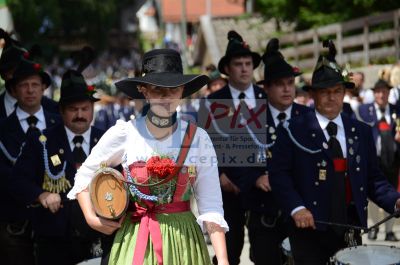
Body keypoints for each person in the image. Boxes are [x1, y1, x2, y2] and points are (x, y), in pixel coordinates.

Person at [67, 48, 229, 265]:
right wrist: (91, 218)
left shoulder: (199, 139)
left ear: (182, 91)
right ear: (143, 90)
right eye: (157, 90)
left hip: (184, 242)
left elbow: (210, 205)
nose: (165, 97)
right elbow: (84, 176)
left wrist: (223, 259)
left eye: (173, 90)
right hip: (136, 239)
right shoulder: (125, 133)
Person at [269, 40, 400, 265]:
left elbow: (373, 179)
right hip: (307, 230)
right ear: (314, 95)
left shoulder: (360, 131)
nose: (331, 97)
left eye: (337, 91)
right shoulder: (292, 130)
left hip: (349, 227)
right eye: (324, 92)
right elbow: (279, 176)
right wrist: (297, 208)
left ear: (344, 93)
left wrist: (395, 201)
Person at [10, 52, 105, 265]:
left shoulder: (107, 139)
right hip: (55, 240)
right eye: (73, 109)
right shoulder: (42, 141)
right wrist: (41, 194)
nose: (80, 114)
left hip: (97, 237)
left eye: (85, 109)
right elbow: (17, 180)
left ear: (92, 110)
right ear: (61, 111)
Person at [198, 30, 266, 265]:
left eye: (248, 64)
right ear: (227, 69)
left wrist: (268, 173)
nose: (245, 68)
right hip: (227, 188)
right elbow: (204, 145)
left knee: (265, 251)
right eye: (238, 64)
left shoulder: (264, 97)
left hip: (262, 187)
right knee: (228, 250)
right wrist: (218, 176)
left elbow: (275, 141)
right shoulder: (212, 101)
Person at [245, 38, 311, 265]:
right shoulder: (250, 120)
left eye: (290, 83)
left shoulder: (309, 118)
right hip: (266, 213)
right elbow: (235, 164)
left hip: (304, 212)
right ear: (266, 87)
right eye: (279, 83)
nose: (286, 89)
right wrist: (256, 177)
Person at [0, 57, 61, 265]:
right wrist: (37, 194)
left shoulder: (59, 122)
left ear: (43, 88)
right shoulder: (3, 129)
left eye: (35, 84)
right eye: (23, 85)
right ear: (14, 91)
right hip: (16, 223)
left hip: (57, 220)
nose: (30, 90)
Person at [358, 79, 400, 241]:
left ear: (389, 93)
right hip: (373, 159)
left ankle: (389, 231)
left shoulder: (397, 109)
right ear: (374, 93)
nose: (381, 95)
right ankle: (374, 227)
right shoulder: (364, 110)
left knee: (393, 194)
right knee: (374, 195)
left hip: (393, 160)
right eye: (378, 91)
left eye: (384, 91)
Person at [0, 29, 59, 120]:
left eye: (25, 73)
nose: (20, 78)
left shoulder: (54, 109)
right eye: (13, 73)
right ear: (3, 75)